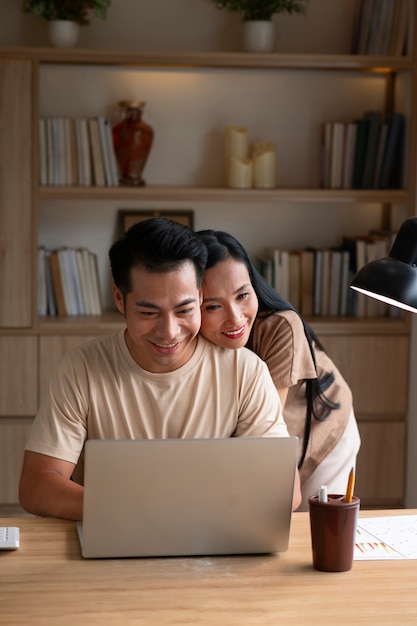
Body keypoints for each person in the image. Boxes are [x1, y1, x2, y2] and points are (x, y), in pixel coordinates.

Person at [19, 218, 301, 520]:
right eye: (148, 312)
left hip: (211, 543)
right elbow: (37, 486)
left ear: (201, 297)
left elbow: (285, 489)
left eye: (184, 310)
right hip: (113, 533)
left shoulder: (246, 373)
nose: (169, 332)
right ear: (119, 298)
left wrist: (188, 514)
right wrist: (140, 513)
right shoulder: (81, 370)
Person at [196, 229, 361, 511]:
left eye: (242, 295)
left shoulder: (280, 327)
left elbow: (265, 427)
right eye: (213, 306)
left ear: (254, 284)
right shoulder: (186, 334)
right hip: (268, 443)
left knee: (314, 533)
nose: (235, 317)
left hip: (322, 427)